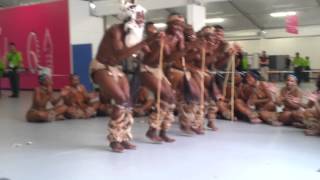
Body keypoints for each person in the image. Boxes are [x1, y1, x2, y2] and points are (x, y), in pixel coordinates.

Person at [90, 2, 155, 152]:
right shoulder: (115, 30)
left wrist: (157, 41)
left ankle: (124, 136)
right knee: (120, 99)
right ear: (129, 17)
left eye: (142, 18)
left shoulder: (136, 35)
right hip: (101, 66)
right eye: (138, 17)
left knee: (128, 102)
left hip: (116, 69)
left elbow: (149, 53)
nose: (141, 21)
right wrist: (145, 42)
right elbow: (120, 54)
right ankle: (114, 139)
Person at [141, 13, 184, 143]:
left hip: (158, 70)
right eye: (176, 23)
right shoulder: (159, 36)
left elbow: (170, 58)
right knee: (165, 95)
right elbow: (149, 58)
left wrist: (181, 43)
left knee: (171, 99)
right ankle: (152, 130)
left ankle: (163, 131)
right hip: (146, 68)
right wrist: (159, 46)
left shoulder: (177, 38)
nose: (178, 26)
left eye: (181, 24)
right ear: (168, 24)